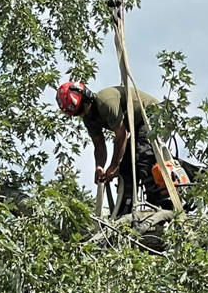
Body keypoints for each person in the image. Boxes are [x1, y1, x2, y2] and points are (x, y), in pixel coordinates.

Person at [56, 82, 165, 216]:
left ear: (86, 96)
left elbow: (121, 135)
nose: (81, 114)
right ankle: (124, 212)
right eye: (77, 113)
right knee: (125, 167)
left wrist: (113, 166)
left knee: (142, 156)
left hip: (153, 115)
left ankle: (158, 203)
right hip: (136, 126)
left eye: (80, 109)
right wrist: (100, 167)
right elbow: (99, 145)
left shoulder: (105, 102)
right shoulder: (89, 119)